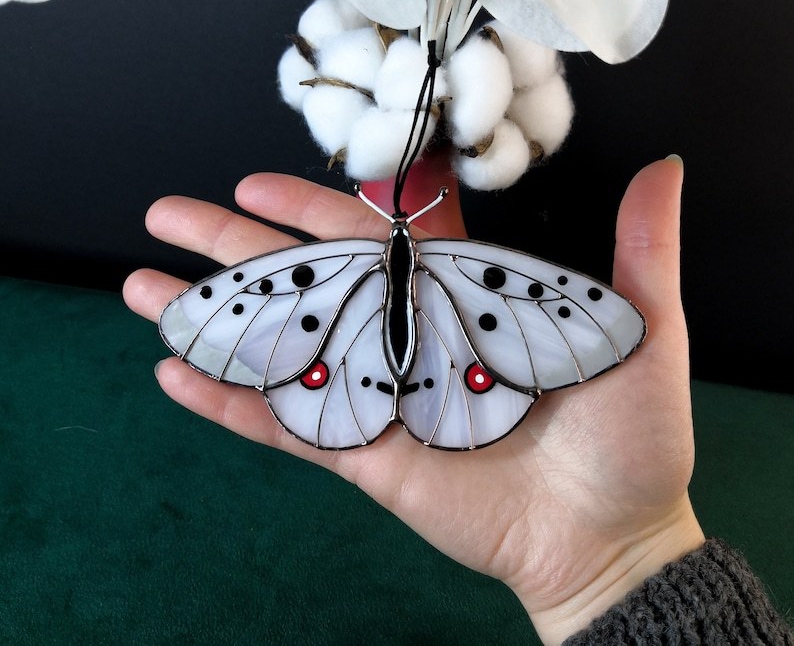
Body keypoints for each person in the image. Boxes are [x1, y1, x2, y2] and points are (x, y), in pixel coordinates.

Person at [123, 157, 792, 644]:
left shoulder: (333, 269)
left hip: (362, 360)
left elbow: (600, 328)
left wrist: (619, 561)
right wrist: (618, 566)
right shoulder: (476, 276)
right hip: (448, 367)